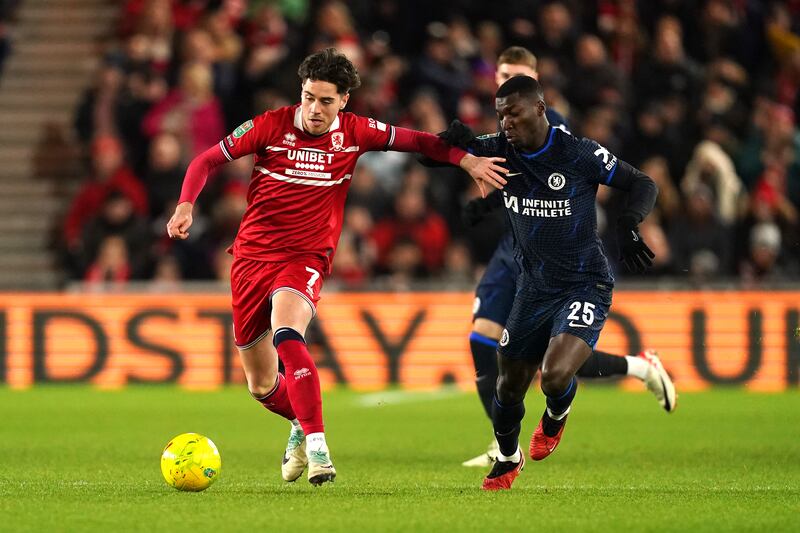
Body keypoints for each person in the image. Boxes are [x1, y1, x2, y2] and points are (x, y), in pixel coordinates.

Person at [166, 48, 507, 486]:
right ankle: (298, 421)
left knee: (289, 332)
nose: (314, 109)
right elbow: (205, 160)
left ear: (344, 100)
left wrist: (467, 159)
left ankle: (318, 446)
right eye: (309, 97)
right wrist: (185, 206)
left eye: (326, 101)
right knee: (262, 386)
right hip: (251, 258)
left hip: (305, 257)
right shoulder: (269, 125)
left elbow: (419, 141)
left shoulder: (356, 131)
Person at [459, 47, 677, 468]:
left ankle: (633, 367)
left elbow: (552, 178)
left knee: (552, 364)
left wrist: (629, 221)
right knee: (484, 339)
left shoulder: (554, 132)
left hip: (564, 255)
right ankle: (503, 444)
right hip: (518, 249)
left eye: (516, 73)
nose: (507, 78)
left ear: (537, 84)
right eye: (502, 73)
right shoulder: (506, 125)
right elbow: (506, 173)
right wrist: (481, 198)